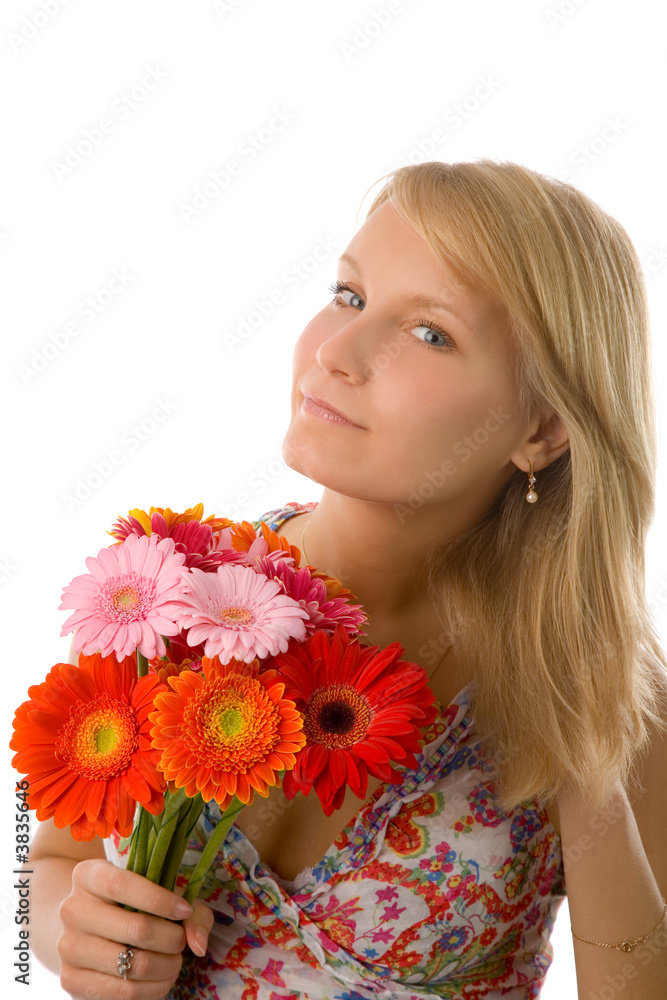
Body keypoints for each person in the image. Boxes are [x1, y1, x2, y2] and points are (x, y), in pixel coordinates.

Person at [28, 159, 667, 999]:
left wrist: (583, 745)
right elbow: (45, 863)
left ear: (544, 428)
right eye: (350, 296)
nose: (335, 353)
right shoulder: (169, 598)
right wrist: (70, 930)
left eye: (430, 332)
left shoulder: (609, 696)